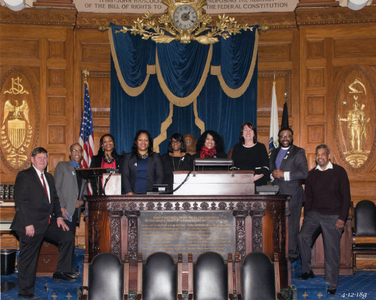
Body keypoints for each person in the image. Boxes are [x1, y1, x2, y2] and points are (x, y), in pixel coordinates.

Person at [11, 147, 77, 300]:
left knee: (67, 236)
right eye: (39, 157)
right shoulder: (24, 175)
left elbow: (54, 199)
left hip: (47, 222)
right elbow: (20, 201)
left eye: (45, 157)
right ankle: (25, 293)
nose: (42, 160)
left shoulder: (48, 177)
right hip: (30, 224)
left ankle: (62, 271)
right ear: (32, 159)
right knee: (29, 260)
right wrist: (28, 224)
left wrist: (59, 217)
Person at [298, 144, 351, 295]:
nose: (320, 157)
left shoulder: (339, 172)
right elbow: (308, 199)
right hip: (314, 214)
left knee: (331, 250)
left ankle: (331, 283)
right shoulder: (311, 175)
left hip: (334, 215)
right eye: (317, 154)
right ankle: (307, 270)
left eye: (323, 154)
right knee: (302, 237)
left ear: (328, 156)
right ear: (315, 157)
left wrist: (342, 218)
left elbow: (346, 197)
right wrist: (307, 216)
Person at [269, 127, 308, 263]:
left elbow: (304, 173)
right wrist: (272, 174)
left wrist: (284, 175)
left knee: (291, 226)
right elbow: (271, 169)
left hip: (293, 196)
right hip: (276, 195)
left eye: (288, 136)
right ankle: (279, 255)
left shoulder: (298, 152)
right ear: (279, 138)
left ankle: (291, 257)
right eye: (282, 136)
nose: (285, 139)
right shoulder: (274, 152)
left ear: (292, 137)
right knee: (277, 226)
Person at [54, 143, 87, 272]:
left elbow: (83, 191)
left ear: (82, 154)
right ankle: (63, 270)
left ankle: (68, 268)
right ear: (70, 153)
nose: (77, 153)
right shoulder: (63, 166)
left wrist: (82, 202)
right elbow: (57, 188)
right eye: (74, 150)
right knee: (65, 241)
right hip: (65, 211)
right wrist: (61, 207)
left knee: (70, 240)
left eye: (79, 151)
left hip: (76, 212)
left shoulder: (82, 170)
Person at [122, 130, 164, 195]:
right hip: (132, 195)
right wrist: (129, 191)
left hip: (151, 195)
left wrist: (155, 193)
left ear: (149, 142)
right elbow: (125, 176)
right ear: (136, 142)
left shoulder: (156, 157)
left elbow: (160, 176)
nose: (143, 142)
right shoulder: (128, 158)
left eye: (146, 140)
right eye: (140, 140)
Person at [232, 122, 269, 186]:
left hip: (258, 183)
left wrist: (252, 179)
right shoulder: (237, 147)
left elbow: (265, 167)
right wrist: (241, 180)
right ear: (242, 133)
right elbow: (233, 167)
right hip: (240, 183)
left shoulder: (261, 147)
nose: (248, 132)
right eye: (245, 130)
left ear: (254, 133)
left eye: (251, 130)